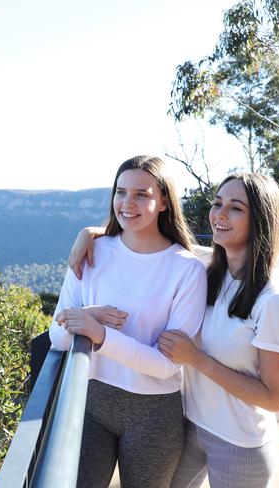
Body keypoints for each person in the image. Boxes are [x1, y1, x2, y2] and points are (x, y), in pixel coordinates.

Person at [69, 173, 279, 488]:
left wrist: (197, 359)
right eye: (217, 203)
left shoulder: (275, 299)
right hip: (191, 427)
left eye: (235, 208)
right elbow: (147, 240)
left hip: (240, 444)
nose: (219, 214)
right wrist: (91, 232)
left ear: (260, 219)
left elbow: (274, 398)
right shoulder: (209, 267)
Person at [50, 155, 207, 488]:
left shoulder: (186, 270)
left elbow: (167, 365)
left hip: (153, 413)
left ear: (164, 201)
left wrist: (99, 334)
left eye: (141, 194)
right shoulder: (91, 251)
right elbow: (57, 337)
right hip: (89, 402)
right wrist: (89, 315)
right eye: (120, 192)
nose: (127, 203)